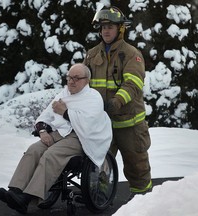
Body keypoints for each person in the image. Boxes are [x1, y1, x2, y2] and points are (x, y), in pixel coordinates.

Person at [0, 63, 112, 214]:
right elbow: (47, 115)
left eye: (76, 78)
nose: (71, 81)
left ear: (87, 80)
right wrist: (43, 131)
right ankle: (15, 191)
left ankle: (27, 198)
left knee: (50, 155)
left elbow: (88, 124)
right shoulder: (63, 94)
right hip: (60, 133)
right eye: (69, 77)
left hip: (82, 138)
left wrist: (65, 112)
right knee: (34, 150)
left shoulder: (93, 98)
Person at [83, 6, 152, 201]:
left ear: (120, 29)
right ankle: (100, 200)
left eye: (111, 26)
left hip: (129, 123)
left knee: (136, 165)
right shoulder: (91, 54)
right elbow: (83, 82)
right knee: (99, 164)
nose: (106, 30)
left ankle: (143, 201)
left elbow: (133, 84)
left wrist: (117, 101)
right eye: (103, 26)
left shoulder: (131, 54)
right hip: (102, 122)